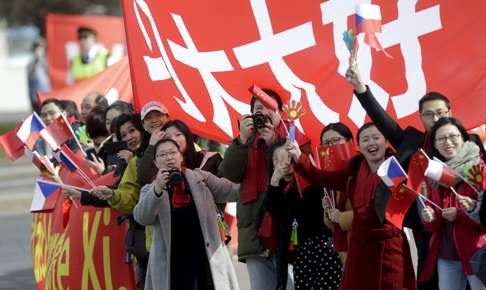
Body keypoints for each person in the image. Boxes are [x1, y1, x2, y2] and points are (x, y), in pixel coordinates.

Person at [290, 123, 416, 290]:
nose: (371, 143)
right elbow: (321, 178)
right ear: (358, 146)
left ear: (386, 143)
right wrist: (300, 158)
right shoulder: (354, 170)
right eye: (365, 139)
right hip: (359, 247)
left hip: (388, 247)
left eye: (376, 138)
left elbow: (394, 209)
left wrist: (345, 217)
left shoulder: (395, 169)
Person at [218, 88, 310, 290]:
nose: (264, 113)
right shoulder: (246, 142)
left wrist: (273, 144)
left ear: (279, 113)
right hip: (254, 232)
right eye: (259, 108)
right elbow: (229, 172)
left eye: (269, 107)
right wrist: (242, 139)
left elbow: (300, 176)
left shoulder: (293, 138)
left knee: (292, 284)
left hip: (287, 229)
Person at [133, 138, 241, 290]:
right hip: (172, 266)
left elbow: (232, 191)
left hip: (205, 260)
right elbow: (142, 217)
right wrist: (157, 189)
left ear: (181, 156)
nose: (169, 157)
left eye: (172, 152)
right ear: (156, 162)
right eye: (162, 155)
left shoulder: (200, 178)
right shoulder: (150, 189)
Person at [266, 138, 342, 290]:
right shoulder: (277, 188)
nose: (284, 163)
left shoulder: (309, 180)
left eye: (287, 157)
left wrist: (301, 168)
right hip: (301, 252)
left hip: (324, 248)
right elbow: (278, 215)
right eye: (277, 159)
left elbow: (311, 209)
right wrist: (274, 182)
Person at [420, 117, 486, 290]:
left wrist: (463, 213)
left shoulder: (478, 170)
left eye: (453, 136)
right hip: (446, 255)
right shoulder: (434, 173)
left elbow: (484, 217)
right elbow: (433, 225)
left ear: (463, 138)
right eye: (441, 139)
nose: (448, 142)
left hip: (477, 252)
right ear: (434, 143)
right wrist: (430, 218)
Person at [319, 123, 354, 265]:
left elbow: (368, 211)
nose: (331, 146)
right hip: (344, 248)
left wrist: (341, 217)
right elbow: (333, 225)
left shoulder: (361, 168)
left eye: (336, 140)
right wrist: (328, 211)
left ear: (349, 141)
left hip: (364, 244)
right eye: (326, 143)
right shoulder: (329, 176)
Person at [27, 38, 50, 112]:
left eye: (41, 47)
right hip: (35, 98)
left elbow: (49, 74)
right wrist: (36, 61)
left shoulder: (47, 62)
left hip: (46, 95)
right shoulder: (30, 64)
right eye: (37, 47)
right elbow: (30, 76)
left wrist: (42, 60)